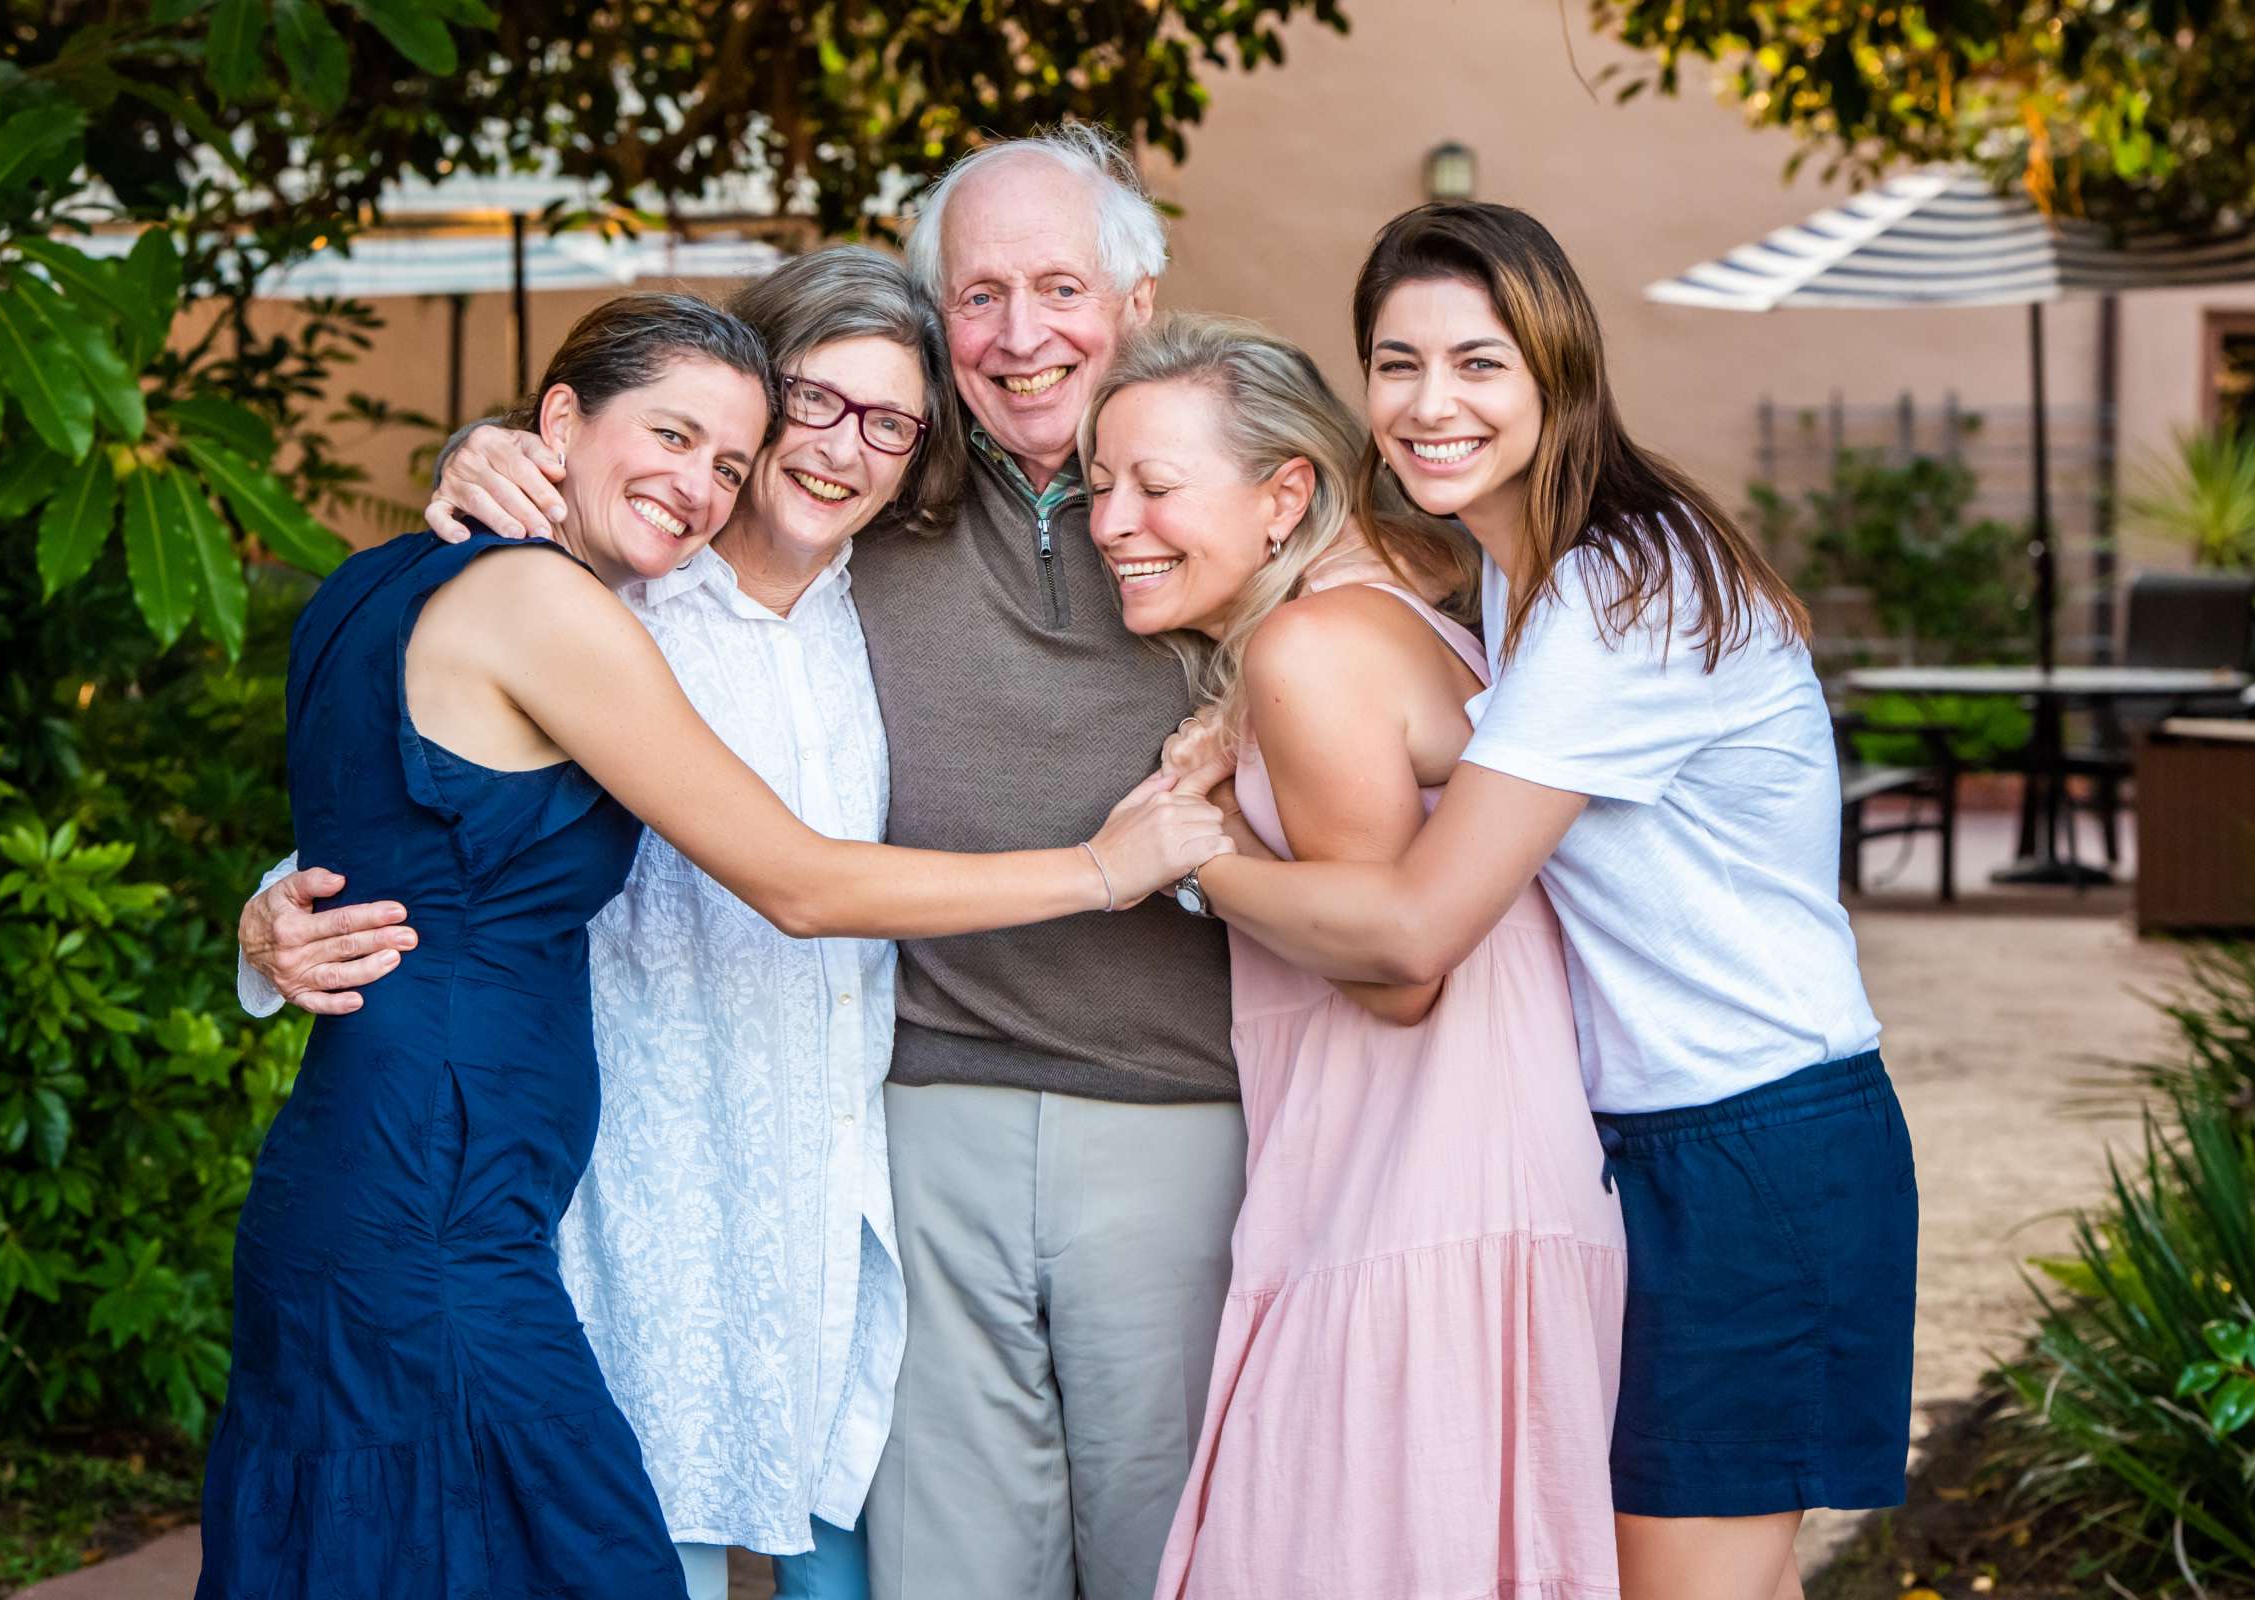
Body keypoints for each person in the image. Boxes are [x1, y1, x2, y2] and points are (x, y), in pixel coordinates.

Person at [252, 126, 1250, 1600]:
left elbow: (1325, 573)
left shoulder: (1014, 546)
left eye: (888, 425)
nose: (843, 446)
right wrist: (273, 914)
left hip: (838, 1174)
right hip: (611, 1178)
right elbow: (435, 792)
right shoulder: (623, 582)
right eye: (810, 406)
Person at [1161, 204, 1917, 1600]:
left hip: (1760, 1145)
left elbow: (1412, 932)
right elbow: (1384, 651)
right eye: (1395, 365)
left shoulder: (1621, 588)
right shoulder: (1521, 578)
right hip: (1650, 1142)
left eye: (1477, 363)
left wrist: (1185, 856)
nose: (1429, 404)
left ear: (1558, 371)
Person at [1085, 313, 1627, 1600]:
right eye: (1100, 485)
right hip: (1451, 1198)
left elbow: (1398, 970)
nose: (1112, 521)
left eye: (1156, 486)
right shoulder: (1400, 618)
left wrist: (1189, 855)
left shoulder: (1310, 646)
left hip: (1413, 1202)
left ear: (1286, 495)